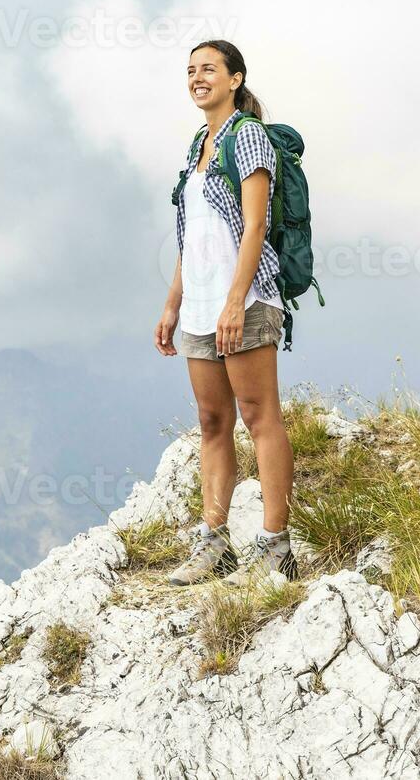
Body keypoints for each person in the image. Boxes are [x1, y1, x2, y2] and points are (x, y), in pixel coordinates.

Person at [153, 39, 298, 587]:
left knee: (261, 419)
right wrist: (172, 303)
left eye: (208, 69)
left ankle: (275, 547)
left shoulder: (248, 135)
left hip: (247, 299)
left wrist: (236, 300)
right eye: (191, 70)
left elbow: (255, 227)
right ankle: (215, 544)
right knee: (213, 422)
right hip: (199, 306)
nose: (197, 78)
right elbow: (193, 239)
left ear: (235, 79)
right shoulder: (198, 145)